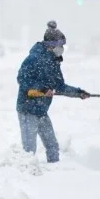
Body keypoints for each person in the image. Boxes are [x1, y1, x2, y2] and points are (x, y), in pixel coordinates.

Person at [15, 21, 89, 163]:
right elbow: (22, 79)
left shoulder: (54, 61)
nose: (62, 49)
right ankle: (26, 173)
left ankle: (55, 172)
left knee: (52, 146)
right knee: (29, 150)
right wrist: (42, 89)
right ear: (51, 45)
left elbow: (59, 86)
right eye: (60, 45)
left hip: (41, 110)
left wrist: (78, 93)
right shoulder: (34, 58)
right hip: (28, 109)